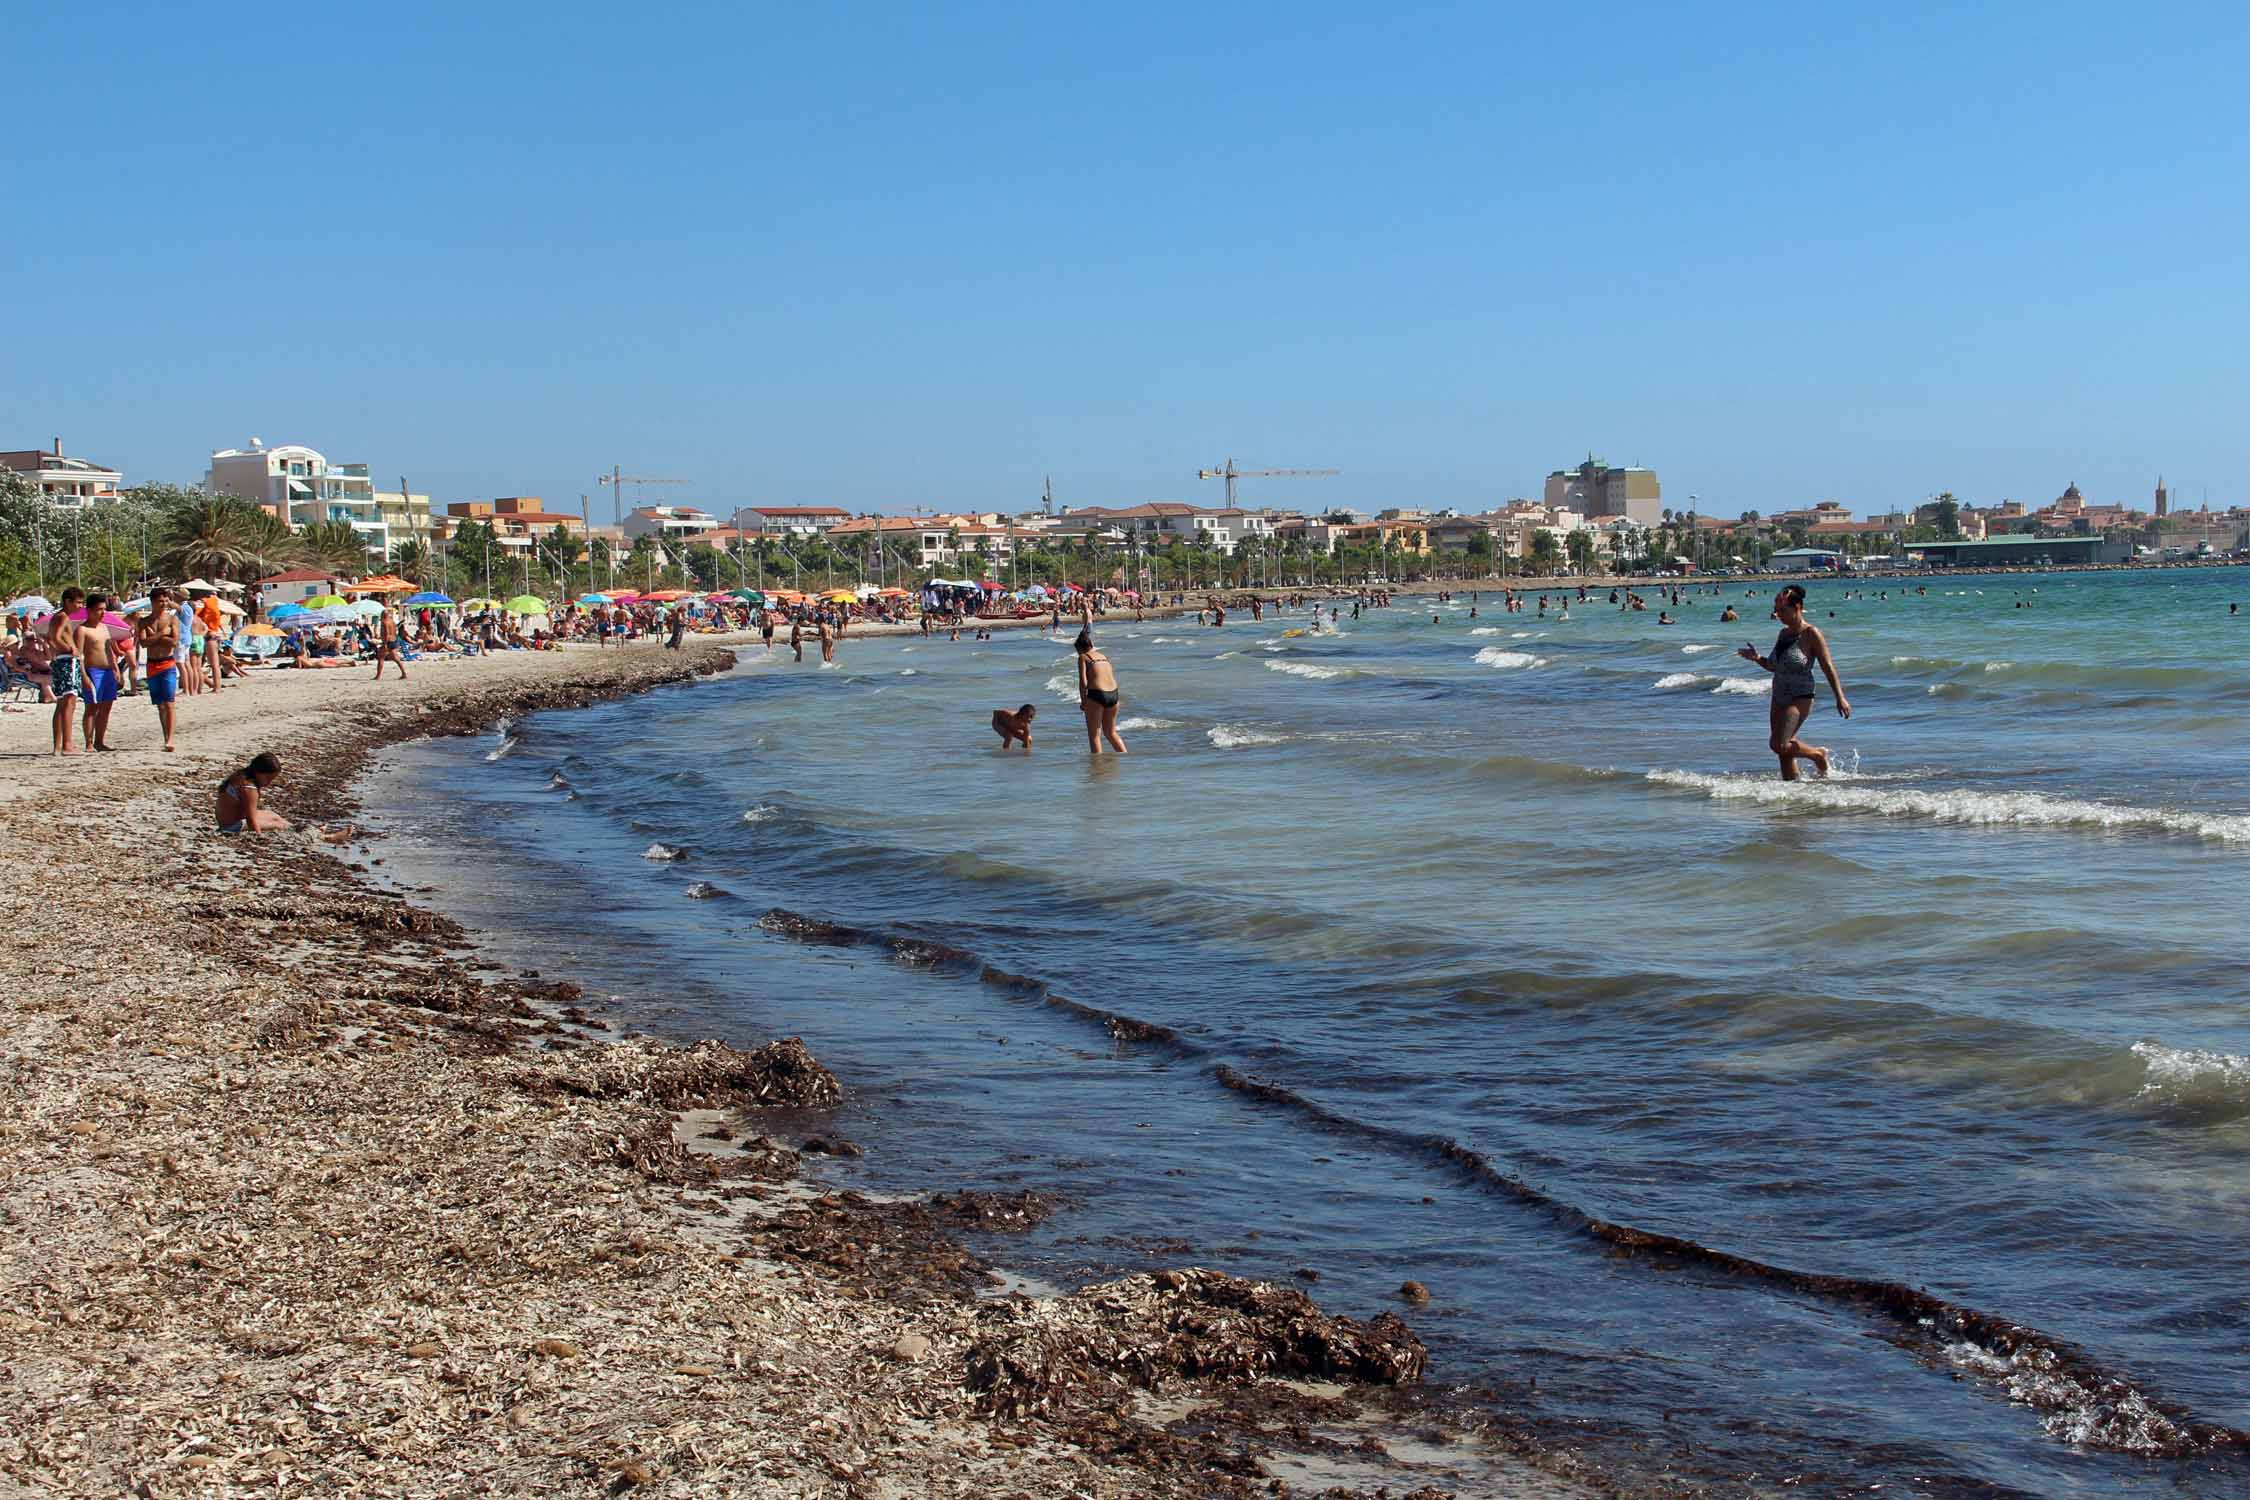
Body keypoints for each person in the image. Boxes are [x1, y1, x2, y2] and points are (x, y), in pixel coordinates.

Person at [1738, 584, 1851, 781]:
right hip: (1779, 695)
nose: (1778, 615)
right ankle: (1793, 798)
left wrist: (1840, 697)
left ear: (1798, 607)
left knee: (1780, 744)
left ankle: (1817, 755)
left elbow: (1827, 666)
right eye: (1776, 610)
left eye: (1783, 610)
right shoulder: (1783, 634)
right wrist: (1756, 658)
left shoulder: (1811, 633)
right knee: (1783, 752)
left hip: (1801, 695)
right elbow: (1775, 666)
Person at [135, 587, 182, 752]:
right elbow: (143, 643)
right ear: (153, 602)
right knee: (160, 705)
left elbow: (174, 642)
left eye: (166, 600)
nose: (164, 604)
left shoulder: (172, 620)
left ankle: (170, 739)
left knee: (169, 703)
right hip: (152, 664)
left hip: (167, 663)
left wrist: (153, 637)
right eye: (160, 601)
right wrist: (162, 634)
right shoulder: (144, 621)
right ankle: (165, 736)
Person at [76, 593, 122, 752]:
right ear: (89, 610)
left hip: (108, 670)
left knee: (106, 707)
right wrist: (83, 676)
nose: (102, 613)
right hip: (93, 671)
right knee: (92, 707)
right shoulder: (82, 630)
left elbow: (109, 650)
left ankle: (99, 741)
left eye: (104, 609)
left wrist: (116, 668)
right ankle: (88, 742)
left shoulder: (104, 628)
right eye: (98, 610)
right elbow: (79, 656)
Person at [1073, 627, 1127, 755]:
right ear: (1091, 644)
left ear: (1080, 649)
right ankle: (1126, 759)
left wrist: (1083, 701)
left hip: (1097, 694)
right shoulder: (1103, 656)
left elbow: (1083, 682)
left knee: (1094, 735)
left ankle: (1097, 771)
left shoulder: (1083, 657)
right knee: (1111, 732)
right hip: (1114, 695)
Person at [47, 587, 86, 754]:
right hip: (66, 661)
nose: (80, 606)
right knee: (69, 701)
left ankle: (58, 745)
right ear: (67, 602)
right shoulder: (62, 617)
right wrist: (71, 650)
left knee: (63, 703)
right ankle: (67, 745)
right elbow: (54, 638)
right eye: (77, 602)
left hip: (62, 662)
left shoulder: (61, 617)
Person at [373, 603, 407, 680]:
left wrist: (384, 644)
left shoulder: (384, 622)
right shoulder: (392, 621)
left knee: (381, 658)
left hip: (387, 642)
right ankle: (404, 673)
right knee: (396, 658)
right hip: (394, 640)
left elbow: (387, 634)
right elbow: (394, 632)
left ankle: (378, 676)